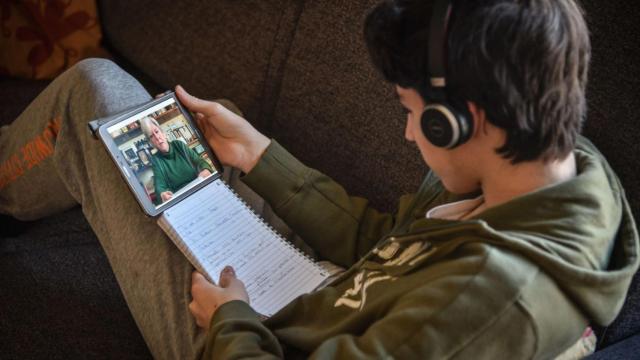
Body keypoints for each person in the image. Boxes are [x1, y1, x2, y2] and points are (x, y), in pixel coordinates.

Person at [0, 1, 637, 360]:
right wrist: (263, 157)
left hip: (250, 338)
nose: (408, 137)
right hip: (309, 290)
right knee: (134, 121)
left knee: (92, 90)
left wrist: (230, 322)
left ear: (459, 122)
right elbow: (392, 246)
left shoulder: (487, 306)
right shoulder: (547, 162)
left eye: (411, 116)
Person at [139, 116, 213, 204]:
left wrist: (205, 170)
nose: (157, 137)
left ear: (163, 132)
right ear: (151, 142)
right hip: (182, 201)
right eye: (152, 136)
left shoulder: (179, 145)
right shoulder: (156, 160)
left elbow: (200, 162)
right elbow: (159, 185)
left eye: (157, 132)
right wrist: (162, 194)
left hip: (200, 188)